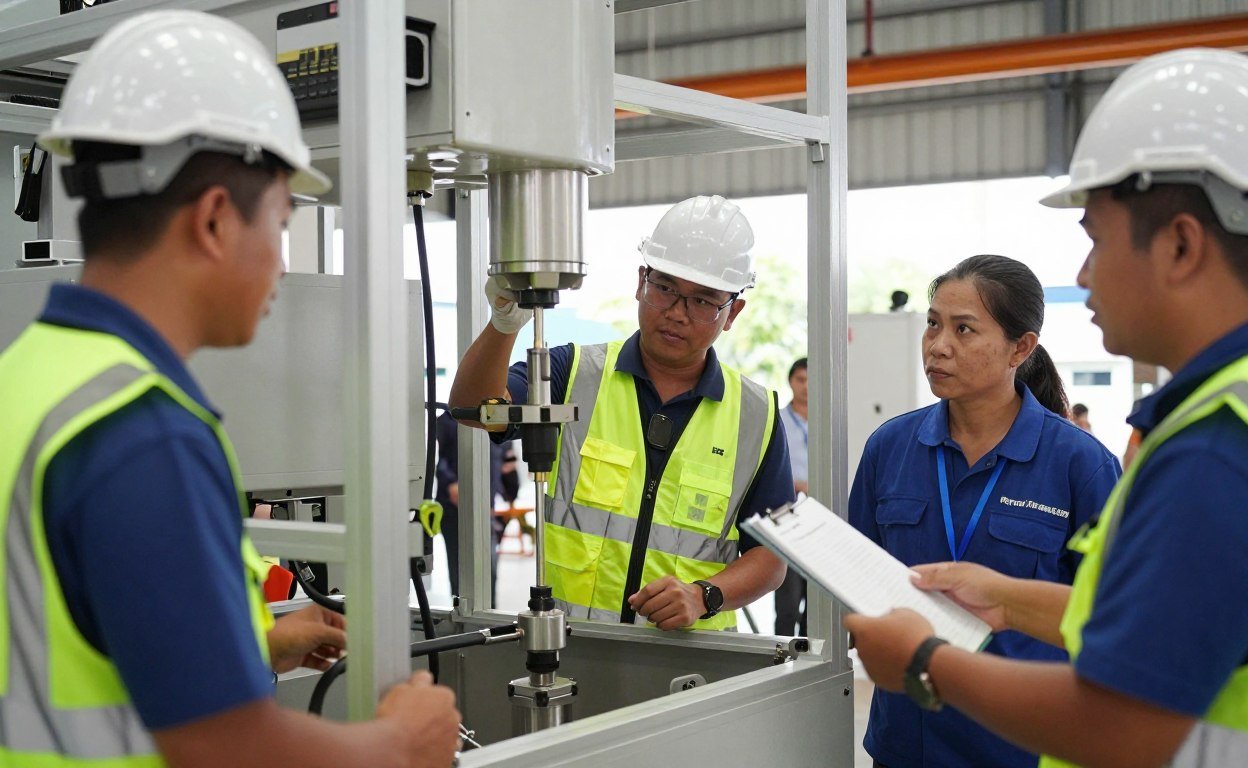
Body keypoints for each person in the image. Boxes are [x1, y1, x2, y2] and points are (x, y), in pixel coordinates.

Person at [846, 48, 1248, 768]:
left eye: (1096, 241)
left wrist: (927, 662)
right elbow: (1156, 629)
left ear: (1179, 244)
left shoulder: (1223, 450)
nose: (1084, 275)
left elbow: (1123, 728)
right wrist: (1010, 599)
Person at [0, 11, 459, 766]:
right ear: (216, 220)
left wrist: (257, 649)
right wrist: (400, 743)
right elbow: (226, 748)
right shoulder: (141, 434)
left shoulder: (29, 378)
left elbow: (67, 642)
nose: (281, 262)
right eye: (280, 221)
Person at [450, 194, 791, 631]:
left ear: (732, 313)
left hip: (696, 663)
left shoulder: (757, 415)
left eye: (703, 301)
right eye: (665, 287)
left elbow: (773, 556)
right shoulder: (571, 372)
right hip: (573, 649)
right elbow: (475, 408)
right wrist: (505, 323)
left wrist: (704, 595)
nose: (676, 313)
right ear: (641, 281)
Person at [850, 254, 1120, 768]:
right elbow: (860, 575)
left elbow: (1110, 619)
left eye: (964, 329)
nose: (938, 346)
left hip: (1021, 747)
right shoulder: (890, 447)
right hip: (905, 743)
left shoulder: (1080, 465)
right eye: (933, 324)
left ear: (1021, 347)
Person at [436, 411, 521, 602]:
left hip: (486, 510)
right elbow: (439, 461)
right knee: (460, 570)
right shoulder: (448, 421)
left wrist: (511, 496)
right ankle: (462, 621)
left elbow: (507, 466)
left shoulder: (500, 423)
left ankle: (489, 619)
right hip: (453, 509)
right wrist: (451, 484)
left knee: (488, 570)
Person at [774, 357, 809, 636]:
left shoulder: (828, 421)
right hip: (787, 514)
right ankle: (782, 659)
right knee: (788, 598)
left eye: (812, 380)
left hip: (820, 518)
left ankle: (811, 659)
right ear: (790, 382)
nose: (807, 386)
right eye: (801, 379)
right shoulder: (778, 419)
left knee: (816, 601)